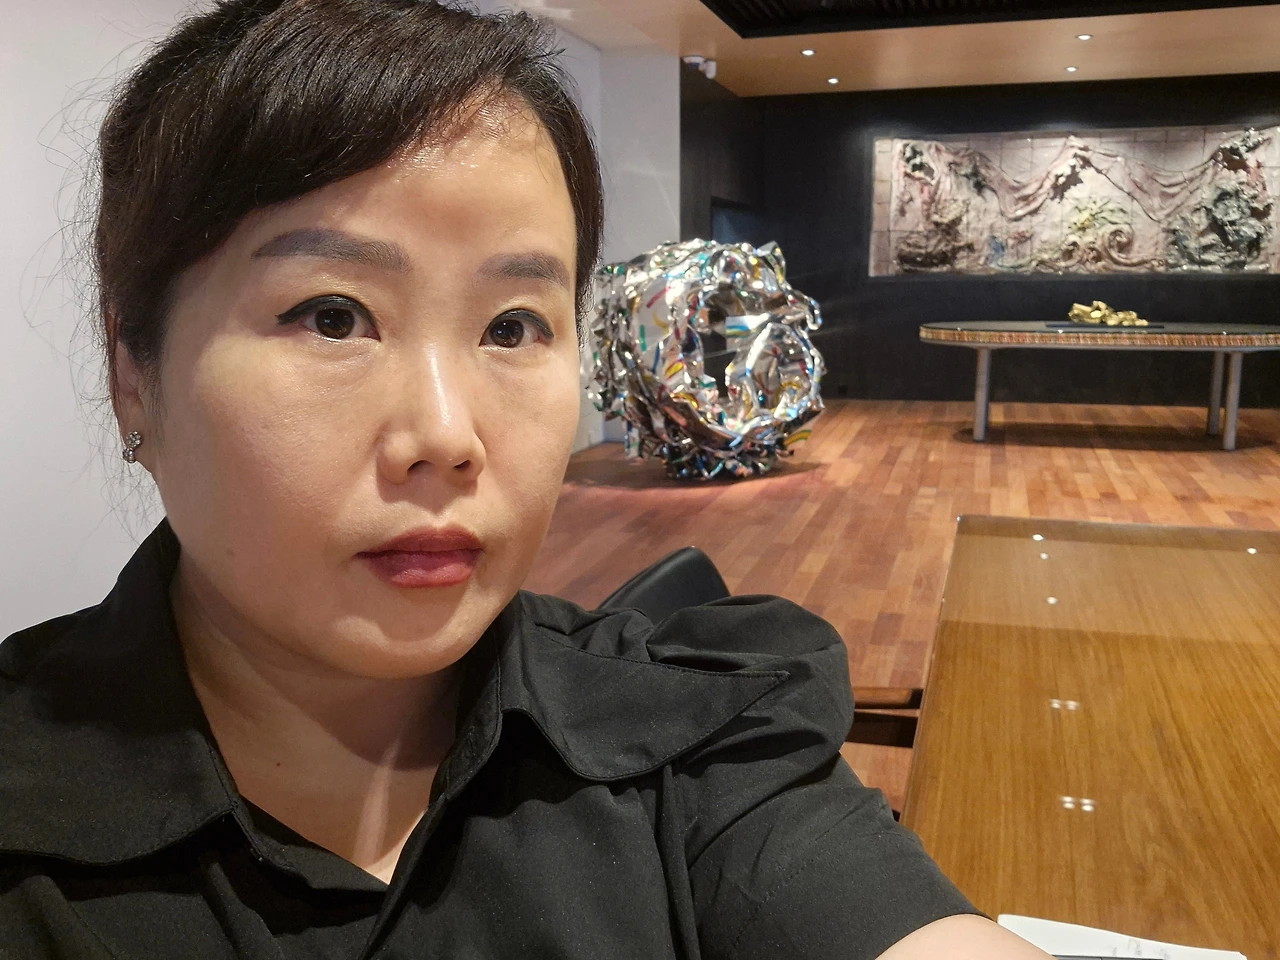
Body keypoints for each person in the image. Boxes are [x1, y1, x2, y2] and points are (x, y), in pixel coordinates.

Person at [0, 2, 1054, 957]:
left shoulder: (693, 737)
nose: (446, 435)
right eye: (332, 316)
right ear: (132, 372)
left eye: (511, 327)